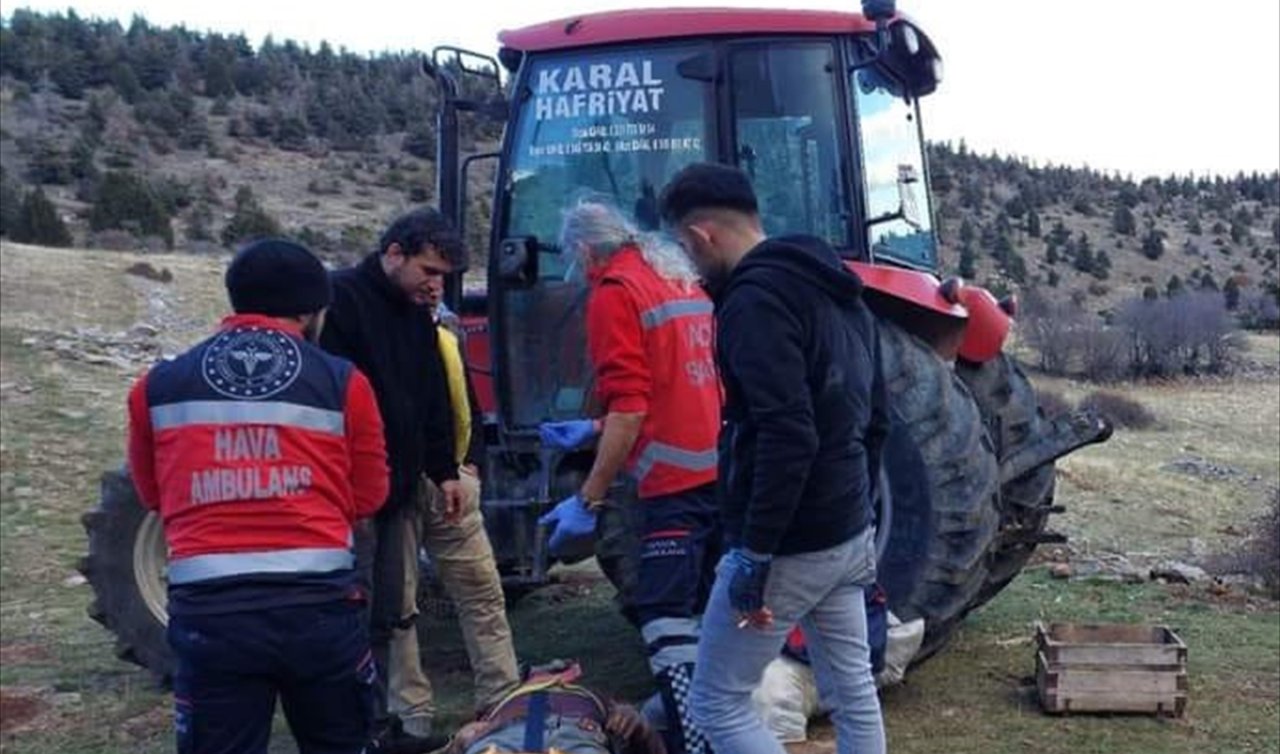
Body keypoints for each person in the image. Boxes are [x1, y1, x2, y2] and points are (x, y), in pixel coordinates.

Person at [659, 163, 890, 754]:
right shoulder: (840, 290)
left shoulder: (753, 303)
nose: (688, 263)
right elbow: (876, 419)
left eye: (684, 247)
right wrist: (858, 512)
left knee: (716, 699)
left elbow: (788, 433)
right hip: (845, 532)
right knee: (851, 689)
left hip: (789, 542)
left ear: (700, 235)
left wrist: (755, 553)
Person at [126, 238, 389, 753]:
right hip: (319, 611)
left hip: (211, 619)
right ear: (314, 310)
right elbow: (369, 495)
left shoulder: (156, 387)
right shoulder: (343, 382)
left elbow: (153, 494)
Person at [320, 209, 519, 751]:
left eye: (444, 278)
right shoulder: (340, 305)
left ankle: (505, 703)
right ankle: (410, 719)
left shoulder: (419, 311)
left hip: (428, 479)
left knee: (481, 588)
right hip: (375, 492)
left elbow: (434, 394)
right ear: (393, 254)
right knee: (394, 608)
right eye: (428, 272)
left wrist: (447, 469)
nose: (436, 286)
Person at [539, 198, 722, 754]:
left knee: (665, 617)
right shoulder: (677, 279)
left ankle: (695, 740)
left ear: (585, 249)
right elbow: (679, 383)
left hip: (671, 484)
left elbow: (633, 405)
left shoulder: (615, 293)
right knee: (708, 611)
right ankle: (716, 724)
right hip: (719, 471)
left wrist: (588, 499)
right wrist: (595, 427)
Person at [443, 663, 666, 754]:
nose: (553, 666)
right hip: (505, 736)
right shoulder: (501, 702)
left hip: (574, 734)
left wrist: (641, 727)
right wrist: (456, 743)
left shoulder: (595, 697)